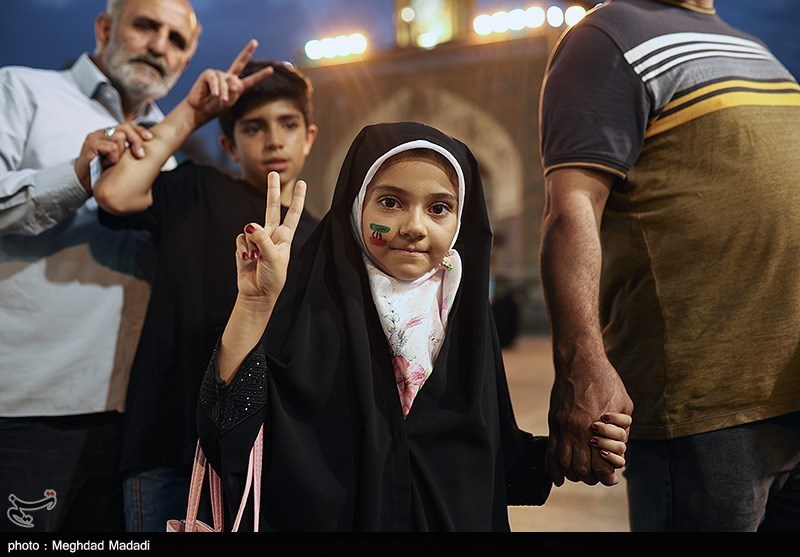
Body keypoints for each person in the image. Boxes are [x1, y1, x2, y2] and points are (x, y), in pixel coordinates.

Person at [196, 121, 630, 531]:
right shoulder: (309, 314)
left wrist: (574, 451)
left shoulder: (461, 314)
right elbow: (227, 434)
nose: (414, 227)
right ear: (356, 205)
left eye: (439, 208)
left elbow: (481, 457)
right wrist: (255, 303)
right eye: (390, 202)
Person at [538, 0, 800, 532]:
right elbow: (571, 207)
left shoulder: (753, 47)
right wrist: (580, 364)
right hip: (706, 409)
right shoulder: (607, 37)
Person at [92, 47, 319, 531]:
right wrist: (193, 112)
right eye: (253, 127)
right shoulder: (196, 189)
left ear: (309, 136)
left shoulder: (323, 236)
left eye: (288, 124)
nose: (274, 139)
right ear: (229, 145)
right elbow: (115, 193)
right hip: (170, 443)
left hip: (268, 457)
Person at [0, 0, 200, 532]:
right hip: (27, 411)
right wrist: (75, 175)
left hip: (132, 423)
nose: (159, 47)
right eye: (146, 26)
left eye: (177, 40)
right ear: (105, 27)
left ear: (186, 61)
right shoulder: (21, 90)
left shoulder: (168, 155)